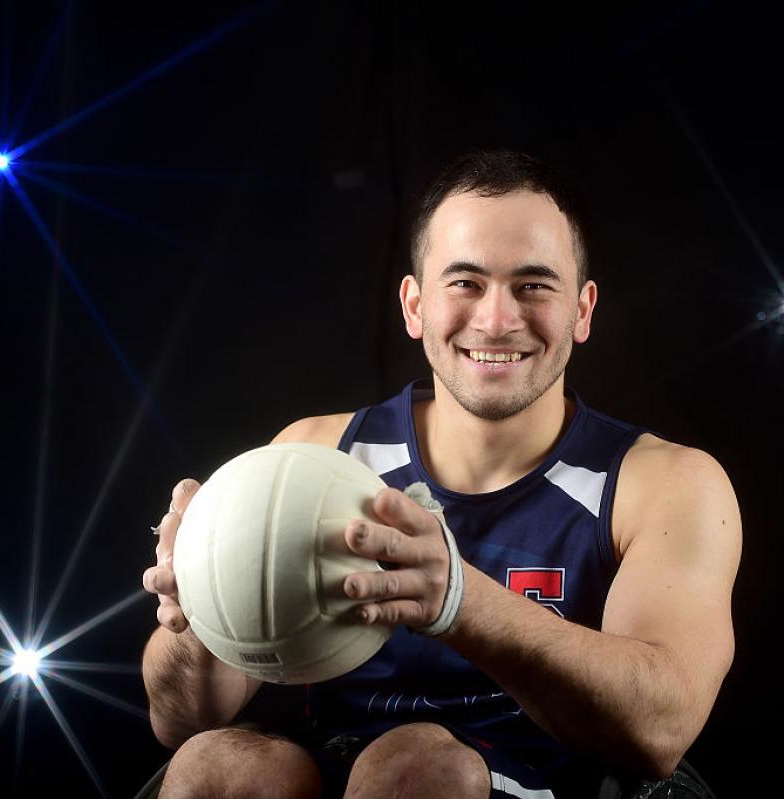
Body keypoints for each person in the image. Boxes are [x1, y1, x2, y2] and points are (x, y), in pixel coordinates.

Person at [140, 149, 741, 799]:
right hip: (343, 770)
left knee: (417, 767)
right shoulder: (315, 454)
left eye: (534, 285)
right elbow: (180, 718)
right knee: (216, 766)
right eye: (465, 282)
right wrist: (200, 609)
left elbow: (661, 729)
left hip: (553, 777)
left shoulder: (664, 482)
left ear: (583, 309)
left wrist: (458, 598)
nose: (496, 318)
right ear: (415, 304)